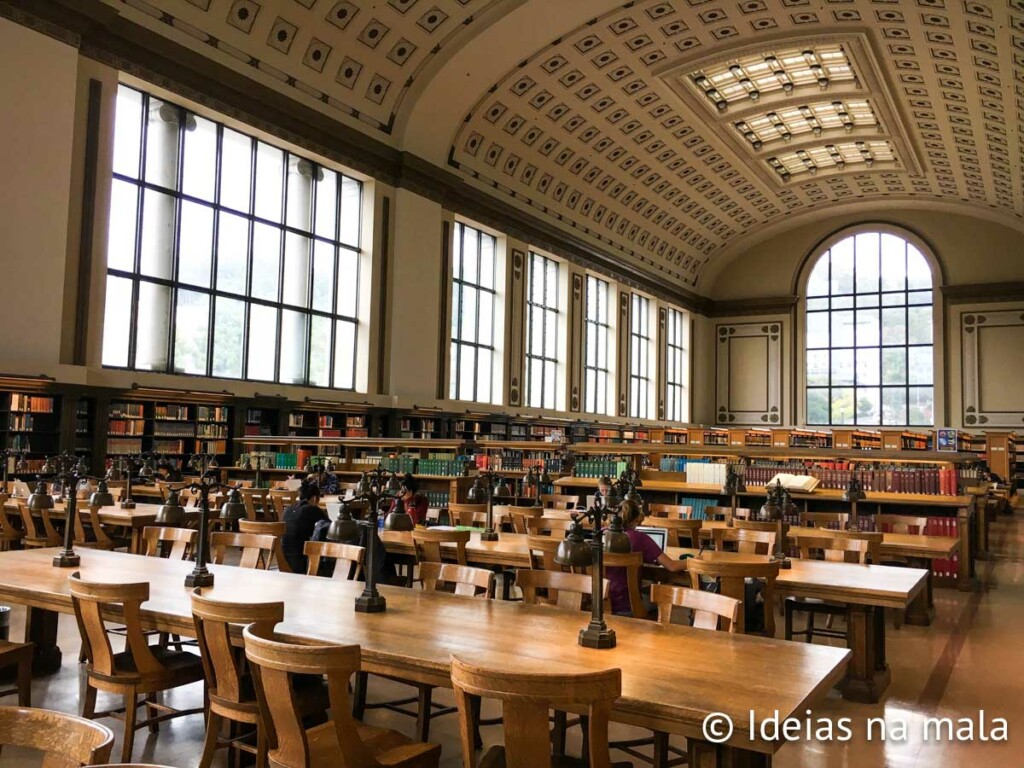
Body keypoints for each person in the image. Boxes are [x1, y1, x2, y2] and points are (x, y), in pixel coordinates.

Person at [606, 501, 687, 617]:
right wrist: (693, 561)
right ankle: (651, 632)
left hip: (602, 605)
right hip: (628, 607)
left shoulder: (603, 535)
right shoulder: (639, 538)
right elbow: (672, 566)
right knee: (657, 602)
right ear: (635, 519)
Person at [281, 481, 328, 574]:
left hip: (284, 560)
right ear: (315, 498)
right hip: (301, 563)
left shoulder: (288, 509)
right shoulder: (313, 509)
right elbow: (328, 528)